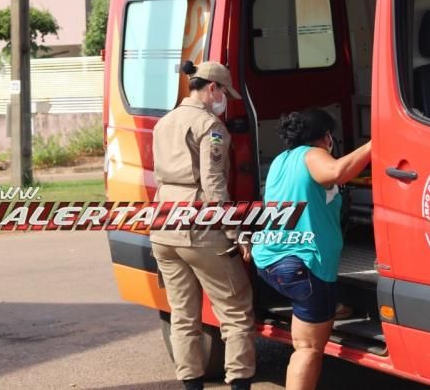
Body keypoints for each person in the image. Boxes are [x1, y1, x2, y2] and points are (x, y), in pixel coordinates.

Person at [151, 60, 255, 390]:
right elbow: (213, 185)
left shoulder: (163, 122)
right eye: (224, 92)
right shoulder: (211, 127)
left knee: (183, 316)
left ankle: (191, 386)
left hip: (163, 223)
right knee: (236, 310)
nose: (226, 100)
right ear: (212, 88)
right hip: (199, 225)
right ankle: (240, 383)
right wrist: (234, 233)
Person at [252, 108, 371, 390]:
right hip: (303, 265)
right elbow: (337, 172)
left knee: (314, 306)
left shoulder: (281, 160)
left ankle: (330, 308)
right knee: (307, 348)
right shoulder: (312, 154)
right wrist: (375, 145)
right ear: (326, 136)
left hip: (270, 260)